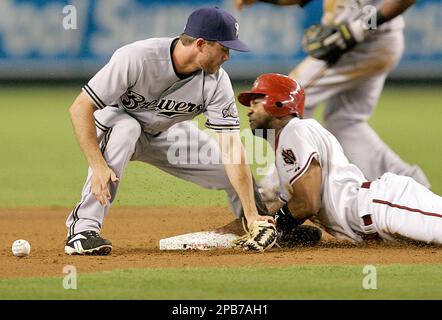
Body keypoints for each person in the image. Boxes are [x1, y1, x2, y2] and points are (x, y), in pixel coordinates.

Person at [64, 6, 275, 255]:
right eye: (224, 49)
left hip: (166, 132)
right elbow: (80, 108)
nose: (228, 56)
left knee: (226, 167)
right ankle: (82, 230)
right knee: (127, 128)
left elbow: (231, 146)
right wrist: (98, 164)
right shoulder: (138, 57)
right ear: (200, 44)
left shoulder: (217, 81)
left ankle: (257, 224)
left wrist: (252, 213)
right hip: (117, 126)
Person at [233, 0, 430, 203]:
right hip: (365, 41)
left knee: (286, 97)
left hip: (365, 43)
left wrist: (362, 25)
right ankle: (413, 185)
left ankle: (274, 190)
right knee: (344, 123)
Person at [237, 73, 442, 245]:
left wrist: (276, 226)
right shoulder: (290, 141)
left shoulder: (295, 130)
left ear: (278, 103)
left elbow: (307, 203)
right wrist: (261, 224)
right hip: (378, 220)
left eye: (256, 102)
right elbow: (289, 204)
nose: (249, 110)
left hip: (384, 206)